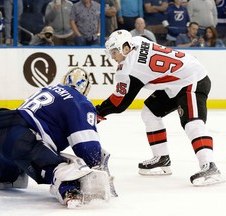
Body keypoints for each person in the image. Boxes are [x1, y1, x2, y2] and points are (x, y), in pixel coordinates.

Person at [0, 67, 114, 208]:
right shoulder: (81, 102)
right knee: (60, 167)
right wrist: (96, 167)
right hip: (23, 142)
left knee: (2, 174)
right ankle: (68, 190)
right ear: (86, 89)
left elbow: (22, 116)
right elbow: (86, 147)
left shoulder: (47, 90)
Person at [95, 29, 224, 186]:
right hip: (178, 79)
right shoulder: (137, 40)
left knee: (192, 122)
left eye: (114, 52)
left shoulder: (129, 70)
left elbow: (119, 103)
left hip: (192, 79)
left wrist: (98, 112)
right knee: (150, 113)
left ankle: (210, 166)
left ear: (125, 48)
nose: (112, 57)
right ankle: (162, 159)